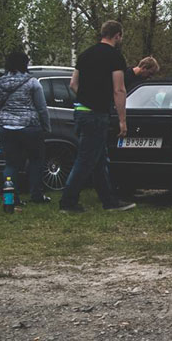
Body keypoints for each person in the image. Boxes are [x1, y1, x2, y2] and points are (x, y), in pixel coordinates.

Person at [60, 21, 136, 213]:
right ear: (117, 35)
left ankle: (109, 201)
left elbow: (73, 84)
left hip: (81, 111)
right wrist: (122, 120)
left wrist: (86, 97)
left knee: (99, 160)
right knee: (85, 160)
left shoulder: (85, 55)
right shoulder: (115, 57)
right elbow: (119, 89)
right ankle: (67, 202)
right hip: (97, 114)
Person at [0, 50, 52, 206]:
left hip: (5, 128)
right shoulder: (32, 83)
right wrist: (46, 126)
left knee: (11, 164)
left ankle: (10, 199)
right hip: (29, 127)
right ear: (25, 64)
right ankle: (36, 195)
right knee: (36, 160)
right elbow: (42, 108)